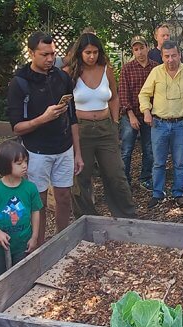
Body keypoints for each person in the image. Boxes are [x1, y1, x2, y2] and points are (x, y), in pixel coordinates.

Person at [7, 32, 82, 237]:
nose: (50, 59)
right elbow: (16, 128)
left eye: (52, 54)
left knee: (64, 196)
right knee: (38, 201)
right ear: (31, 53)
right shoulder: (20, 83)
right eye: (44, 54)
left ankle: (62, 238)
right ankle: (38, 245)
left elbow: (73, 117)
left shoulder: (62, 77)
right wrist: (43, 118)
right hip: (36, 151)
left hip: (64, 147)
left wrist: (77, 152)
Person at [64, 33, 137, 218]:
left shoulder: (106, 69)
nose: (92, 56)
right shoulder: (69, 72)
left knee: (116, 174)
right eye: (88, 52)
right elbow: (63, 103)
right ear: (80, 52)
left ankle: (126, 217)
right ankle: (87, 219)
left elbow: (114, 96)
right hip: (81, 129)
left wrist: (114, 122)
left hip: (106, 128)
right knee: (81, 177)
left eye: (95, 52)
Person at [139, 41, 183, 208]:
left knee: (179, 162)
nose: (170, 59)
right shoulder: (156, 72)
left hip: (180, 124)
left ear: (179, 55)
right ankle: (158, 194)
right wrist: (146, 111)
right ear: (162, 57)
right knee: (158, 162)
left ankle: (178, 193)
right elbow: (144, 94)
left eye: (173, 55)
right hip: (159, 123)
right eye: (166, 56)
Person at [0, 141, 43, 278]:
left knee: (23, 277)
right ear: (4, 165)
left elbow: (35, 211)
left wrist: (34, 236)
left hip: (23, 243)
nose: (24, 166)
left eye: (25, 161)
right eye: (19, 163)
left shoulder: (30, 188)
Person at [119, 36, 159, 191]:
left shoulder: (156, 68)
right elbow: (123, 93)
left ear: (147, 48)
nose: (140, 52)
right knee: (127, 149)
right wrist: (130, 115)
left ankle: (145, 178)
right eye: (136, 49)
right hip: (131, 114)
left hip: (149, 114)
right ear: (133, 51)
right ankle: (124, 180)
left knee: (149, 149)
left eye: (142, 48)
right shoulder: (127, 69)